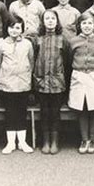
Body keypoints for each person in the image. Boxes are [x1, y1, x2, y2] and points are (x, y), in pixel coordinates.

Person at [33, 9, 71, 154]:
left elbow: (67, 62)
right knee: (44, 112)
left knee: (55, 113)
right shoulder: (37, 39)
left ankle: (55, 142)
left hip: (57, 83)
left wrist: (62, 79)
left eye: (53, 18)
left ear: (57, 21)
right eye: (47, 18)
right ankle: (45, 141)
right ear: (42, 21)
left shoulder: (63, 39)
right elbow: (34, 59)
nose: (50, 21)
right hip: (41, 82)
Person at [68, 12, 94, 154]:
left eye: (90, 23)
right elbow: (69, 59)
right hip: (79, 76)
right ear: (79, 26)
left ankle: (93, 139)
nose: (87, 26)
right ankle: (84, 139)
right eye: (84, 23)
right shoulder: (73, 41)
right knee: (82, 109)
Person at [0, 15, 34, 154]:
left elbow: (31, 61)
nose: (14, 30)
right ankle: (11, 142)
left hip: (23, 83)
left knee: (21, 112)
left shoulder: (27, 44)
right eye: (11, 27)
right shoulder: (1, 44)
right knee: (10, 113)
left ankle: (23, 142)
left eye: (18, 27)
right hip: (7, 83)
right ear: (7, 28)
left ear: (22, 30)